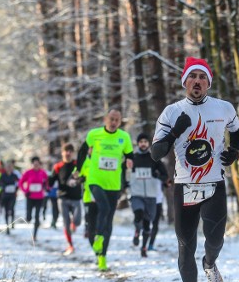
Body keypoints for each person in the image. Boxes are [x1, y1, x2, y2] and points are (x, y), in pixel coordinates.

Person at [151, 57, 239, 282]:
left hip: (214, 183)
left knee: (215, 239)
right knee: (185, 245)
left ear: (208, 83)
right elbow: (157, 154)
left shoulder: (223, 108)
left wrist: (234, 151)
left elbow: (236, 130)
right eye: (193, 76)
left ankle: (210, 263)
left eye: (203, 77)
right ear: (185, 82)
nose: (198, 81)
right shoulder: (171, 112)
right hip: (185, 186)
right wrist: (175, 131)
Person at [76, 109, 134, 271]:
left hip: (113, 184)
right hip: (95, 180)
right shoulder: (94, 135)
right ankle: (98, 237)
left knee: (108, 221)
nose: (114, 122)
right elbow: (81, 152)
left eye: (117, 120)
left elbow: (130, 154)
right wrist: (77, 169)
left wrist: (129, 160)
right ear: (105, 119)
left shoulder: (124, 137)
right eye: (111, 119)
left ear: (120, 121)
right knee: (104, 208)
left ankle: (102, 257)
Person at [129, 133, 168, 257]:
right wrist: (124, 183)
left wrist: (158, 176)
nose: (143, 144)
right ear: (138, 143)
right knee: (138, 214)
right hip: (136, 194)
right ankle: (136, 231)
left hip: (151, 196)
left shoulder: (154, 158)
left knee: (147, 224)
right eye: (141, 142)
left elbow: (165, 175)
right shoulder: (133, 158)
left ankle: (144, 247)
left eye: (145, 141)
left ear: (148, 144)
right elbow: (124, 172)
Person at [49, 143, 83, 256]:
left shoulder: (77, 165)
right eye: (66, 151)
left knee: (77, 221)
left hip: (76, 197)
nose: (68, 153)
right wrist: (47, 183)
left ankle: (74, 224)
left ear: (73, 153)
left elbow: (84, 176)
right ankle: (70, 245)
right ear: (62, 152)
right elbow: (51, 181)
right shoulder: (58, 166)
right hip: (63, 197)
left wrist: (78, 180)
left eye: (70, 151)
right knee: (66, 223)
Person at [18, 156, 49, 242]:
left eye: (37, 164)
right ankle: (28, 218)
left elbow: (47, 183)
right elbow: (20, 183)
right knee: (29, 217)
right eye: (34, 164)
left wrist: (46, 187)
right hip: (30, 197)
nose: (36, 166)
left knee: (37, 217)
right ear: (32, 164)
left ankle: (34, 235)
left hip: (39, 198)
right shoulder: (28, 172)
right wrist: (25, 191)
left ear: (40, 164)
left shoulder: (43, 173)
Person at [0, 161, 20, 234]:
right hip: (5, 195)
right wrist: (4, 187)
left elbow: (19, 183)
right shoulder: (3, 175)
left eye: (10, 167)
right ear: (5, 168)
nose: (9, 168)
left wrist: (16, 188)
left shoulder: (14, 175)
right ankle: (7, 225)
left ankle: (12, 222)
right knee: (7, 210)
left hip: (13, 195)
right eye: (8, 167)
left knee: (12, 208)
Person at [148, 177, 168, 251]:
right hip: (147, 202)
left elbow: (168, 184)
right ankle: (143, 242)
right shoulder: (146, 173)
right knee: (145, 223)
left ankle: (150, 245)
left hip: (157, 203)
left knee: (155, 224)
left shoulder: (161, 176)